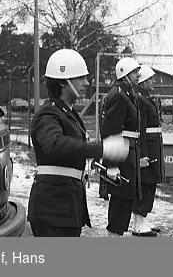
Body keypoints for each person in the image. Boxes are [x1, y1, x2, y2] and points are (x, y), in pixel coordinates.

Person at [27, 49, 129, 237]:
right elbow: (55, 145)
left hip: (66, 206)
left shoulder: (68, 113)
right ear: (63, 82)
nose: (86, 83)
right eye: (80, 78)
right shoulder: (48, 114)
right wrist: (102, 148)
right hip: (52, 209)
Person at [101, 57, 145, 237]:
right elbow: (111, 131)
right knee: (120, 199)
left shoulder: (127, 94)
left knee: (126, 198)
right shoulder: (119, 95)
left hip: (129, 152)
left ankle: (116, 235)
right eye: (135, 72)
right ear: (125, 74)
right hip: (122, 154)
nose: (138, 75)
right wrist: (111, 164)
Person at [130, 65, 165, 237]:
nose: (153, 81)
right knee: (145, 183)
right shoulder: (140, 99)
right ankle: (138, 222)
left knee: (150, 183)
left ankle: (143, 220)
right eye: (150, 79)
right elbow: (141, 129)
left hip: (153, 145)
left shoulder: (146, 97)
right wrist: (143, 154)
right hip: (148, 147)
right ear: (143, 81)